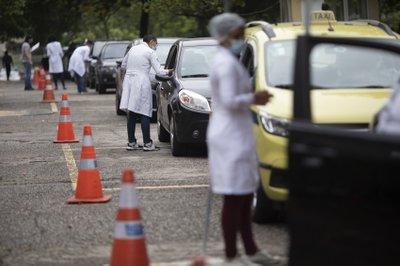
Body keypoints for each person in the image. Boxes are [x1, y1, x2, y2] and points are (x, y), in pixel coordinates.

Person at [207, 13, 280, 266]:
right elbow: (228, 100)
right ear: (227, 35)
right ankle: (231, 255)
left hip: (237, 133)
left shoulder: (229, 59)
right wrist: (254, 99)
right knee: (234, 196)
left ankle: (251, 250)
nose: (242, 38)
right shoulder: (225, 64)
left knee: (246, 193)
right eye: (239, 34)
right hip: (229, 137)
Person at [120, 35, 171, 151]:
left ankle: (131, 142)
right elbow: (159, 71)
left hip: (129, 81)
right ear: (152, 41)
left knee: (131, 112)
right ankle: (147, 143)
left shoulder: (133, 49)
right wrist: (170, 71)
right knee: (145, 112)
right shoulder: (150, 52)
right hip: (141, 82)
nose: (156, 46)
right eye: (156, 44)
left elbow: (123, 65)